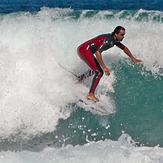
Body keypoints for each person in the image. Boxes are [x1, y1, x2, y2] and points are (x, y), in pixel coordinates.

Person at [77, 26, 142, 102]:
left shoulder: (114, 40)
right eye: (122, 35)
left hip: (84, 50)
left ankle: (79, 78)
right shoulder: (108, 41)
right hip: (85, 50)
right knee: (99, 71)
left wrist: (132, 58)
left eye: (124, 34)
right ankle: (91, 94)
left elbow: (124, 48)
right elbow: (98, 52)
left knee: (96, 69)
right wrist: (104, 67)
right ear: (116, 34)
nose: (123, 37)